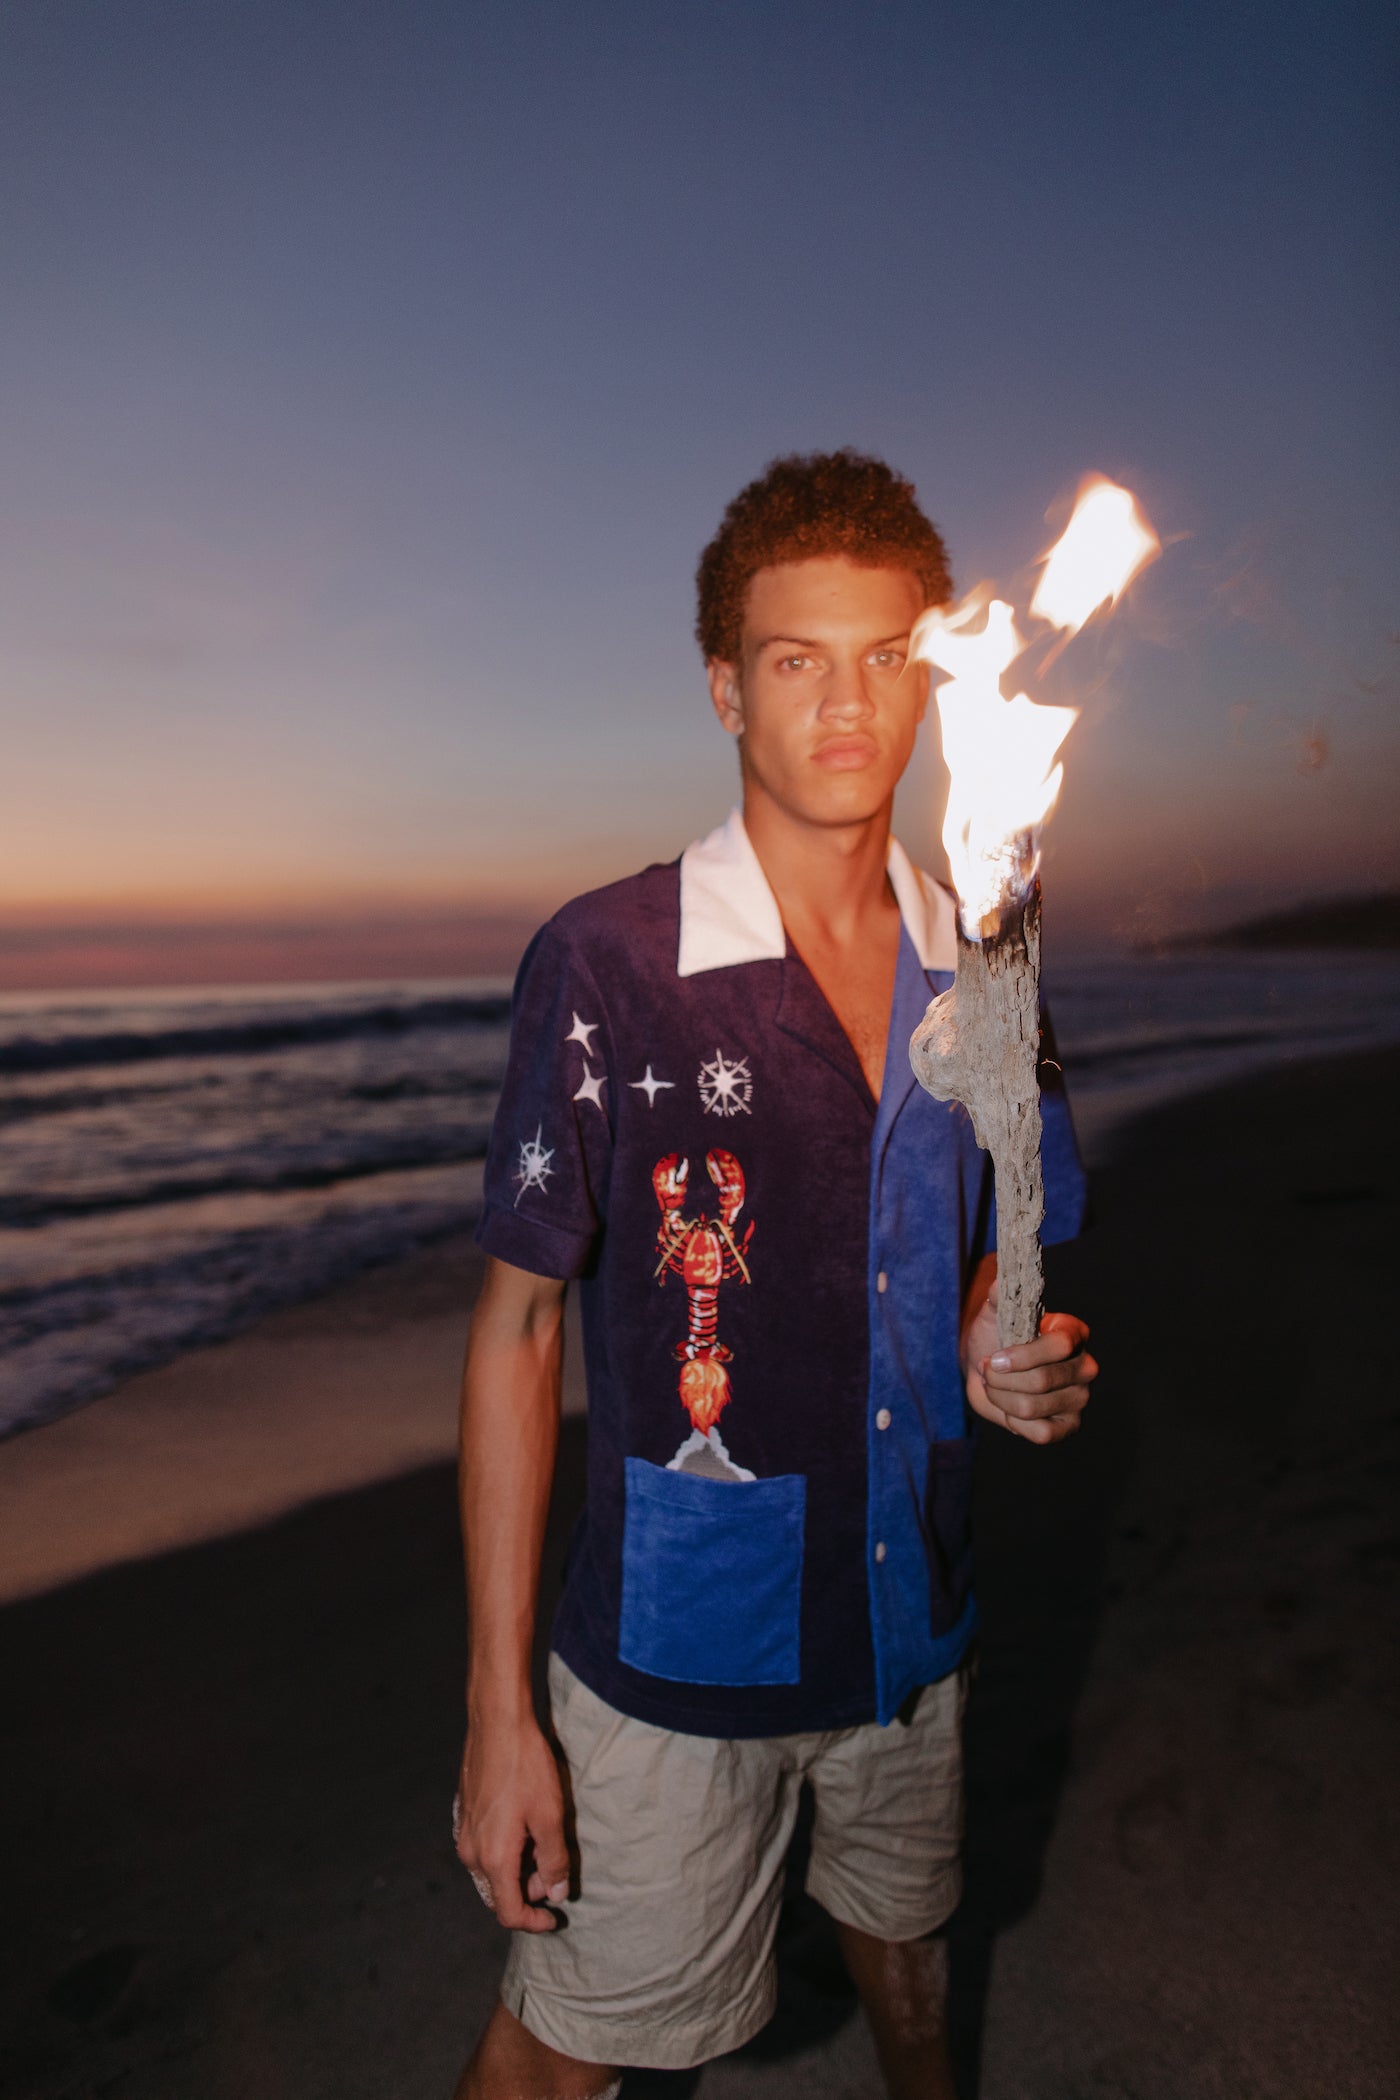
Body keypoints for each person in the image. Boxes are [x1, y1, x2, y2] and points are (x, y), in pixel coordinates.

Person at [452, 450, 1097, 2100]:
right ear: (726, 690)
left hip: (911, 1629)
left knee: (916, 1975)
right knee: (561, 2058)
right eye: (797, 661)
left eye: (887, 656)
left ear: (935, 674)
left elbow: (985, 1261)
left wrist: (995, 1349)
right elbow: (521, 1332)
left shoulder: (984, 952)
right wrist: (499, 1713)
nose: (847, 706)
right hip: (685, 1652)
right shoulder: (612, 962)